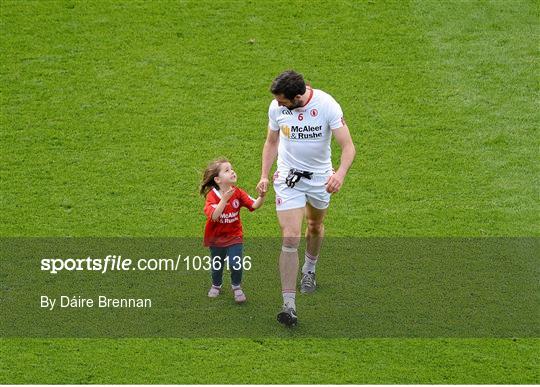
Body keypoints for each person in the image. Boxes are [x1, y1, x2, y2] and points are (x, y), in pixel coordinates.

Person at [256, 70, 356, 326]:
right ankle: (288, 305)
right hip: (288, 179)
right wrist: (264, 174)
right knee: (290, 236)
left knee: (314, 226)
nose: (278, 105)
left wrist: (340, 175)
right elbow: (271, 142)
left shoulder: (326, 105)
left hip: (320, 179)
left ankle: (309, 271)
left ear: (298, 97)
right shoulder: (276, 108)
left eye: (283, 101)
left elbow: (348, 146)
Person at [201, 157, 265, 303]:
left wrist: (262, 196)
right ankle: (216, 285)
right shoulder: (212, 196)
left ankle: (236, 287)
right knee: (217, 265)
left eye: (232, 169)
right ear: (217, 179)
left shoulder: (238, 193)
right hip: (216, 238)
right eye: (227, 170)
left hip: (234, 236)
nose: (232, 172)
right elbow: (215, 216)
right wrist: (224, 200)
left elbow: (254, 205)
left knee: (236, 263)